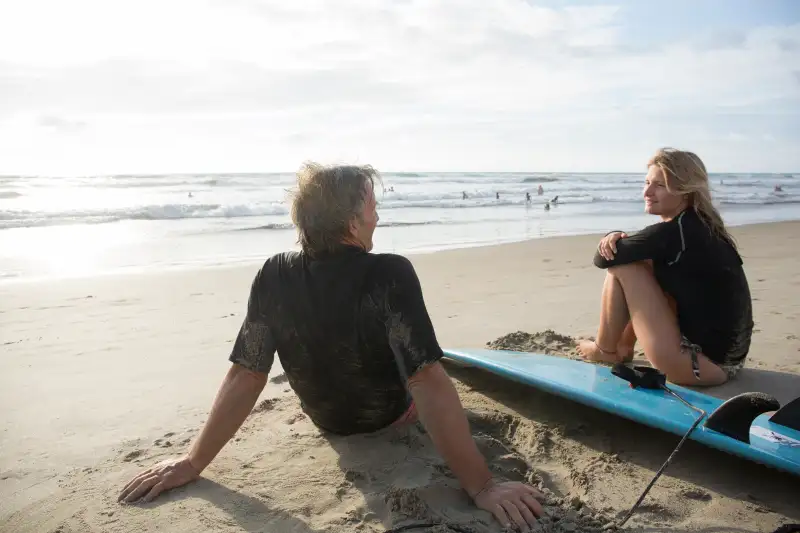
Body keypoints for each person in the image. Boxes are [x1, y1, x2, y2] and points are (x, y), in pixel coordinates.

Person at [118, 163, 544, 531]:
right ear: (351, 221)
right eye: (371, 205)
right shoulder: (390, 273)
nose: (377, 215)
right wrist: (483, 486)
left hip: (328, 422)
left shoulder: (273, 274)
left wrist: (193, 463)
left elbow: (247, 373)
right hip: (391, 417)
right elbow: (427, 380)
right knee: (428, 362)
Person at [577, 148, 753, 386]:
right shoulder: (701, 226)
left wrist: (611, 237)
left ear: (686, 191)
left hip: (695, 366)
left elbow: (605, 259)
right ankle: (623, 346)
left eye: (660, 185)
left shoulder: (675, 232)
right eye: (647, 182)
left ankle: (604, 350)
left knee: (624, 267)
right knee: (646, 264)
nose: (647, 192)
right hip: (726, 364)